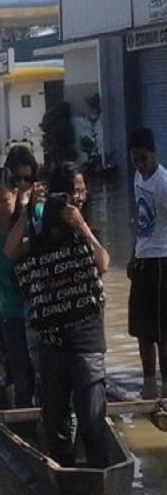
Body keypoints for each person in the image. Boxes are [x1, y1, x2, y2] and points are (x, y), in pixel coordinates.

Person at [14, 193, 109, 467]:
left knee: (90, 422)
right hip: (55, 347)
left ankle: (91, 471)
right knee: (58, 420)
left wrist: (83, 228)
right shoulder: (37, 249)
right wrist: (26, 210)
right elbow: (10, 252)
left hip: (85, 346)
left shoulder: (84, 242)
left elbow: (103, 263)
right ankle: (66, 472)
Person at [0, 168, 36, 408]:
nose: (0, 208)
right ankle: (25, 424)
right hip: (11, 313)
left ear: (16, 194)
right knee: (21, 378)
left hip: (44, 312)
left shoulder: (36, 217)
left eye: (4, 201)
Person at [127, 127, 167, 396]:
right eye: (136, 159)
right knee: (141, 328)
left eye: (144, 159)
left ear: (154, 154)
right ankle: (149, 383)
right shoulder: (137, 178)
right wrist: (132, 256)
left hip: (162, 260)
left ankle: (166, 386)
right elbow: (140, 222)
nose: (140, 165)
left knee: (163, 332)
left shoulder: (163, 183)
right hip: (143, 259)